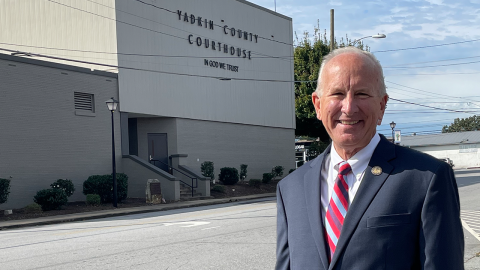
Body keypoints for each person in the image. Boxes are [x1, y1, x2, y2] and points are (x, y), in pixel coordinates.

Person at [276, 47, 464, 270]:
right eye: (337, 93)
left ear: (382, 105)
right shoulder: (290, 188)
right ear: (318, 104)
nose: (348, 107)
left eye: (362, 94)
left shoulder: (427, 179)